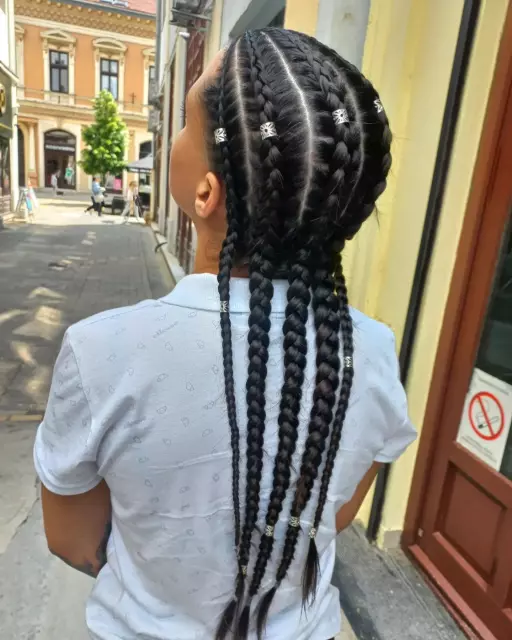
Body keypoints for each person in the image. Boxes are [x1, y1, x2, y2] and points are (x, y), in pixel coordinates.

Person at [34, 29, 416, 640]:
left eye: (185, 124)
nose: (173, 140)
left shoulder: (102, 351)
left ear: (206, 193)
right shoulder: (369, 352)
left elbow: (73, 540)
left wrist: (162, 589)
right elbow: (337, 514)